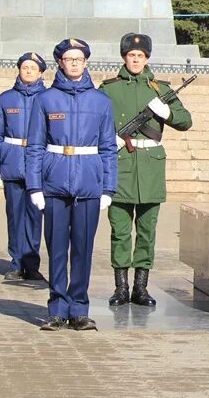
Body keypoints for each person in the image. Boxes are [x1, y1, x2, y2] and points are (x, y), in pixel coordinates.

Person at [25, 38, 117, 331]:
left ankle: (79, 308)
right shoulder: (46, 100)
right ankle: (56, 308)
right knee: (57, 249)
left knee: (82, 249)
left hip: (89, 183)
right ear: (60, 64)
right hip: (54, 183)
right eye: (69, 59)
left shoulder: (101, 101)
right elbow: (35, 147)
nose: (75, 63)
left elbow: (107, 148)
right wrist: (34, 186)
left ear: (86, 63)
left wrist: (108, 188)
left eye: (79, 59)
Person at [100, 33, 192, 307]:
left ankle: (141, 287)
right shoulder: (108, 89)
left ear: (147, 58)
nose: (136, 59)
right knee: (120, 231)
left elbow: (186, 121)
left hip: (150, 168)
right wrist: (111, 140)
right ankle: (121, 288)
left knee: (147, 231)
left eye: (141, 56)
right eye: (131, 55)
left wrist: (166, 113)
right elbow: (94, 122)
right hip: (120, 164)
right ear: (124, 57)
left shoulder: (160, 88)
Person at [0, 52, 47, 282]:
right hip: (12, 162)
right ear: (19, 70)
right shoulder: (5, 99)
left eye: (33, 67)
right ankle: (15, 262)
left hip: (38, 165)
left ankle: (31, 264)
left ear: (41, 72)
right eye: (25, 67)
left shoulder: (49, 98)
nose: (29, 71)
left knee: (35, 216)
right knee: (15, 216)